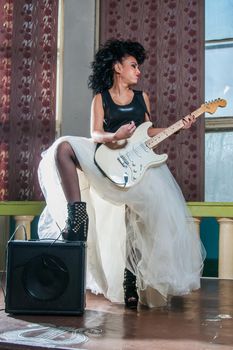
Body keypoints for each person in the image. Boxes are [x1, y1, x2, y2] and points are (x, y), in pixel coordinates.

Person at [38, 39, 205, 309]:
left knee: (134, 223)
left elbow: (146, 132)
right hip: (105, 158)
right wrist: (114, 135)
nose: (138, 71)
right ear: (117, 67)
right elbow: (94, 134)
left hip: (134, 166)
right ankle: (77, 217)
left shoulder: (142, 98)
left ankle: (131, 284)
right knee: (64, 148)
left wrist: (179, 126)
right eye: (133, 65)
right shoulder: (100, 98)